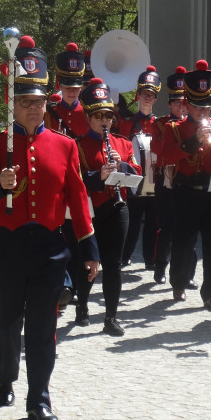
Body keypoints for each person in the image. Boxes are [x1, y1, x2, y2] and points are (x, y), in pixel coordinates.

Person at [0, 35, 99, 420]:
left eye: (39, 102)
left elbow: (78, 199)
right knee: (6, 321)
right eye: (25, 102)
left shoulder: (65, 145)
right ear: (12, 104)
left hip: (48, 247)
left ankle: (38, 398)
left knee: (44, 327)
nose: (33, 109)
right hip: (5, 245)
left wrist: (89, 248)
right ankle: (4, 374)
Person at [74, 77, 140, 335]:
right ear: (89, 117)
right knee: (89, 260)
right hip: (91, 209)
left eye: (108, 116)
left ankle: (111, 317)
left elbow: (136, 172)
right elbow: (75, 181)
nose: (104, 121)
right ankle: (82, 306)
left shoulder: (122, 143)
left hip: (117, 207)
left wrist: (121, 165)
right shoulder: (78, 145)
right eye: (99, 116)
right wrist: (97, 176)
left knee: (114, 264)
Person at [160, 61, 211, 309]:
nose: (202, 113)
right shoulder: (173, 127)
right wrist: (194, 139)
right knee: (183, 240)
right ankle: (178, 282)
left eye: (206, 107)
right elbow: (168, 157)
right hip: (185, 192)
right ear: (187, 105)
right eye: (197, 107)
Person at [118, 66, 161, 272]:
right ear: (138, 96)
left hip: (154, 179)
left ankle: (150, 260)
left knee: (153, 222)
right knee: (132, 221)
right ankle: (124, 256)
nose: (147, 98)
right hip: (133, 180)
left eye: (151, 95)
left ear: (155, 100)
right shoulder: (127, 124)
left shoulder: (160, 125)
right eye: (144, 94)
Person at [149, 67, 189, 285]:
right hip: (165, 179)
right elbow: (157, 148)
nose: (181, 107)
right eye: (176, 103)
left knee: (188, 228)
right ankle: (160, 267)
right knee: (166, 226)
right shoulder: (161, 123)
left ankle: (186, 273)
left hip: (188, 179)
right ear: (170, 104)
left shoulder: (195, 124)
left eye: (184, 103)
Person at [43, 43, 89, 139]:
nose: (72, 92)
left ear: (80, 88)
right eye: (68, 88)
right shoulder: (49, 113)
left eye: (75, 88)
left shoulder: (88, 113)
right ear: (60, 87)